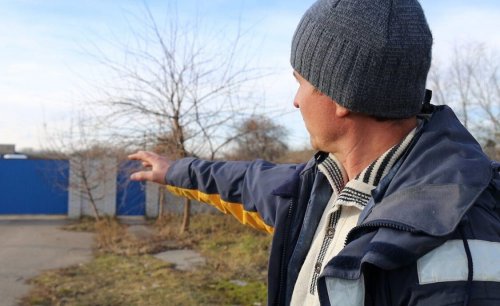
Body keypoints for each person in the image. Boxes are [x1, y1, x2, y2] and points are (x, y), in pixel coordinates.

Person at [129, 0, 500, 305]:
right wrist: (171, 170)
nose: (295, 101)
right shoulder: (321, 187)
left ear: (340, 96)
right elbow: (245, 180)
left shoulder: (459, 249)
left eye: (301, 82)